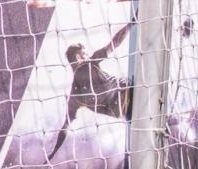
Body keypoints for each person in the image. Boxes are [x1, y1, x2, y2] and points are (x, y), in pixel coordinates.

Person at [48, 20, 134, 160]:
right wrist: (131, 24)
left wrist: (53, 152)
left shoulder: (75, 95)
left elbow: (65, 127)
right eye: (85, 54)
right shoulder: (90, 64)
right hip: (129, 92)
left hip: (124, 112)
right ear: (78, 57)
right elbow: (114, 43)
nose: (87, 56)